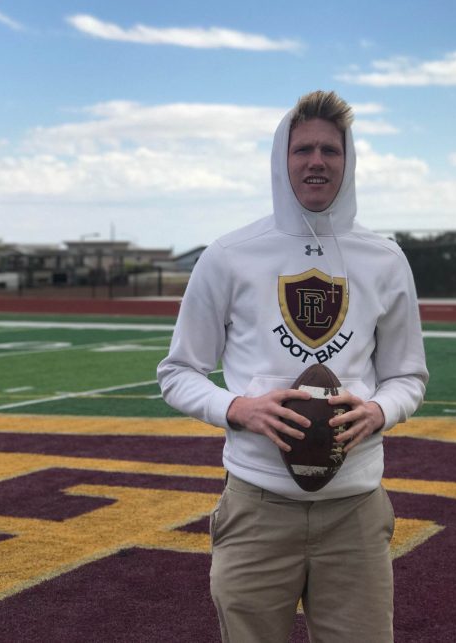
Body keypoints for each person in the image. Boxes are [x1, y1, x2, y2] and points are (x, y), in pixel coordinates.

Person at [157, 90, 428, 643]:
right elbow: (178, 371)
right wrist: (236, 408)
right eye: (303, 148)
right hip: (257, 507)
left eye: (331, 149)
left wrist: (380, 410)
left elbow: (408, 375)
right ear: (282, 159)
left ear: (348, 162)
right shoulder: (230, 254)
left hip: (355, 509)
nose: (317, 161)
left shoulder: (384, 256)